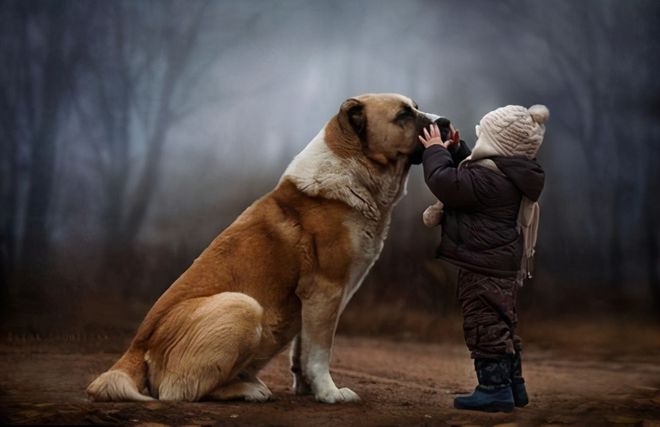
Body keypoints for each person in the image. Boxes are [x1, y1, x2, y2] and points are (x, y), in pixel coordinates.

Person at [418, 105, 548, 412]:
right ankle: (514, 385)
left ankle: (494, 390)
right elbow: (470, 173)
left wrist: (435, 151)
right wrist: (457, 150)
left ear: (497, 145)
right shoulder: (508, 174)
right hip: (500, 264)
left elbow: (445, 182)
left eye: (482, 139)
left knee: (483, 324)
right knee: (502, 324)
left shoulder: (488, 180)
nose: (478, 146)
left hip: (482, 266)